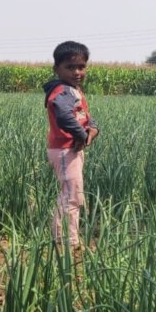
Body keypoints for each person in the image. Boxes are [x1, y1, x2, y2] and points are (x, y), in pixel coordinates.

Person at [43, 41, 99, 250]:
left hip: (70, 149)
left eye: (81, 67)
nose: (77, 71)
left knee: (73, 194)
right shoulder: (62, 92)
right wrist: (81, 136)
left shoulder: (72, 90)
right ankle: (66, 241)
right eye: (70, 67)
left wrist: (93, 129)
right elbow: (64, 117)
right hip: (65, 150)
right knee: (71, 195)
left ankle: (65, 237)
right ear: (56, 69)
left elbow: (85, 117)